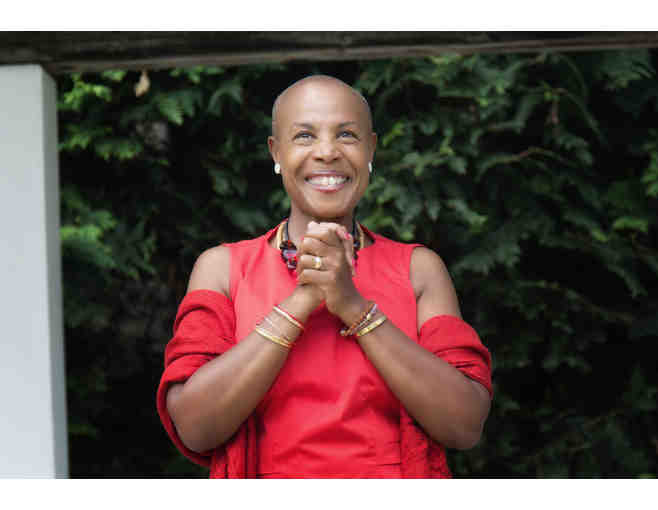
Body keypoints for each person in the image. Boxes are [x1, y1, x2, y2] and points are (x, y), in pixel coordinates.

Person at [156, 75, 493, 478]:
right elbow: (195, 428)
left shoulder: (418, 269)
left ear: (370, 149)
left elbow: (464, 425)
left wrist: (353, 305)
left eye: (347, 135)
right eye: (304, 136)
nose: (328, 152)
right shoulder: (224, 269)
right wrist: (303, 299)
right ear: (276, 152)